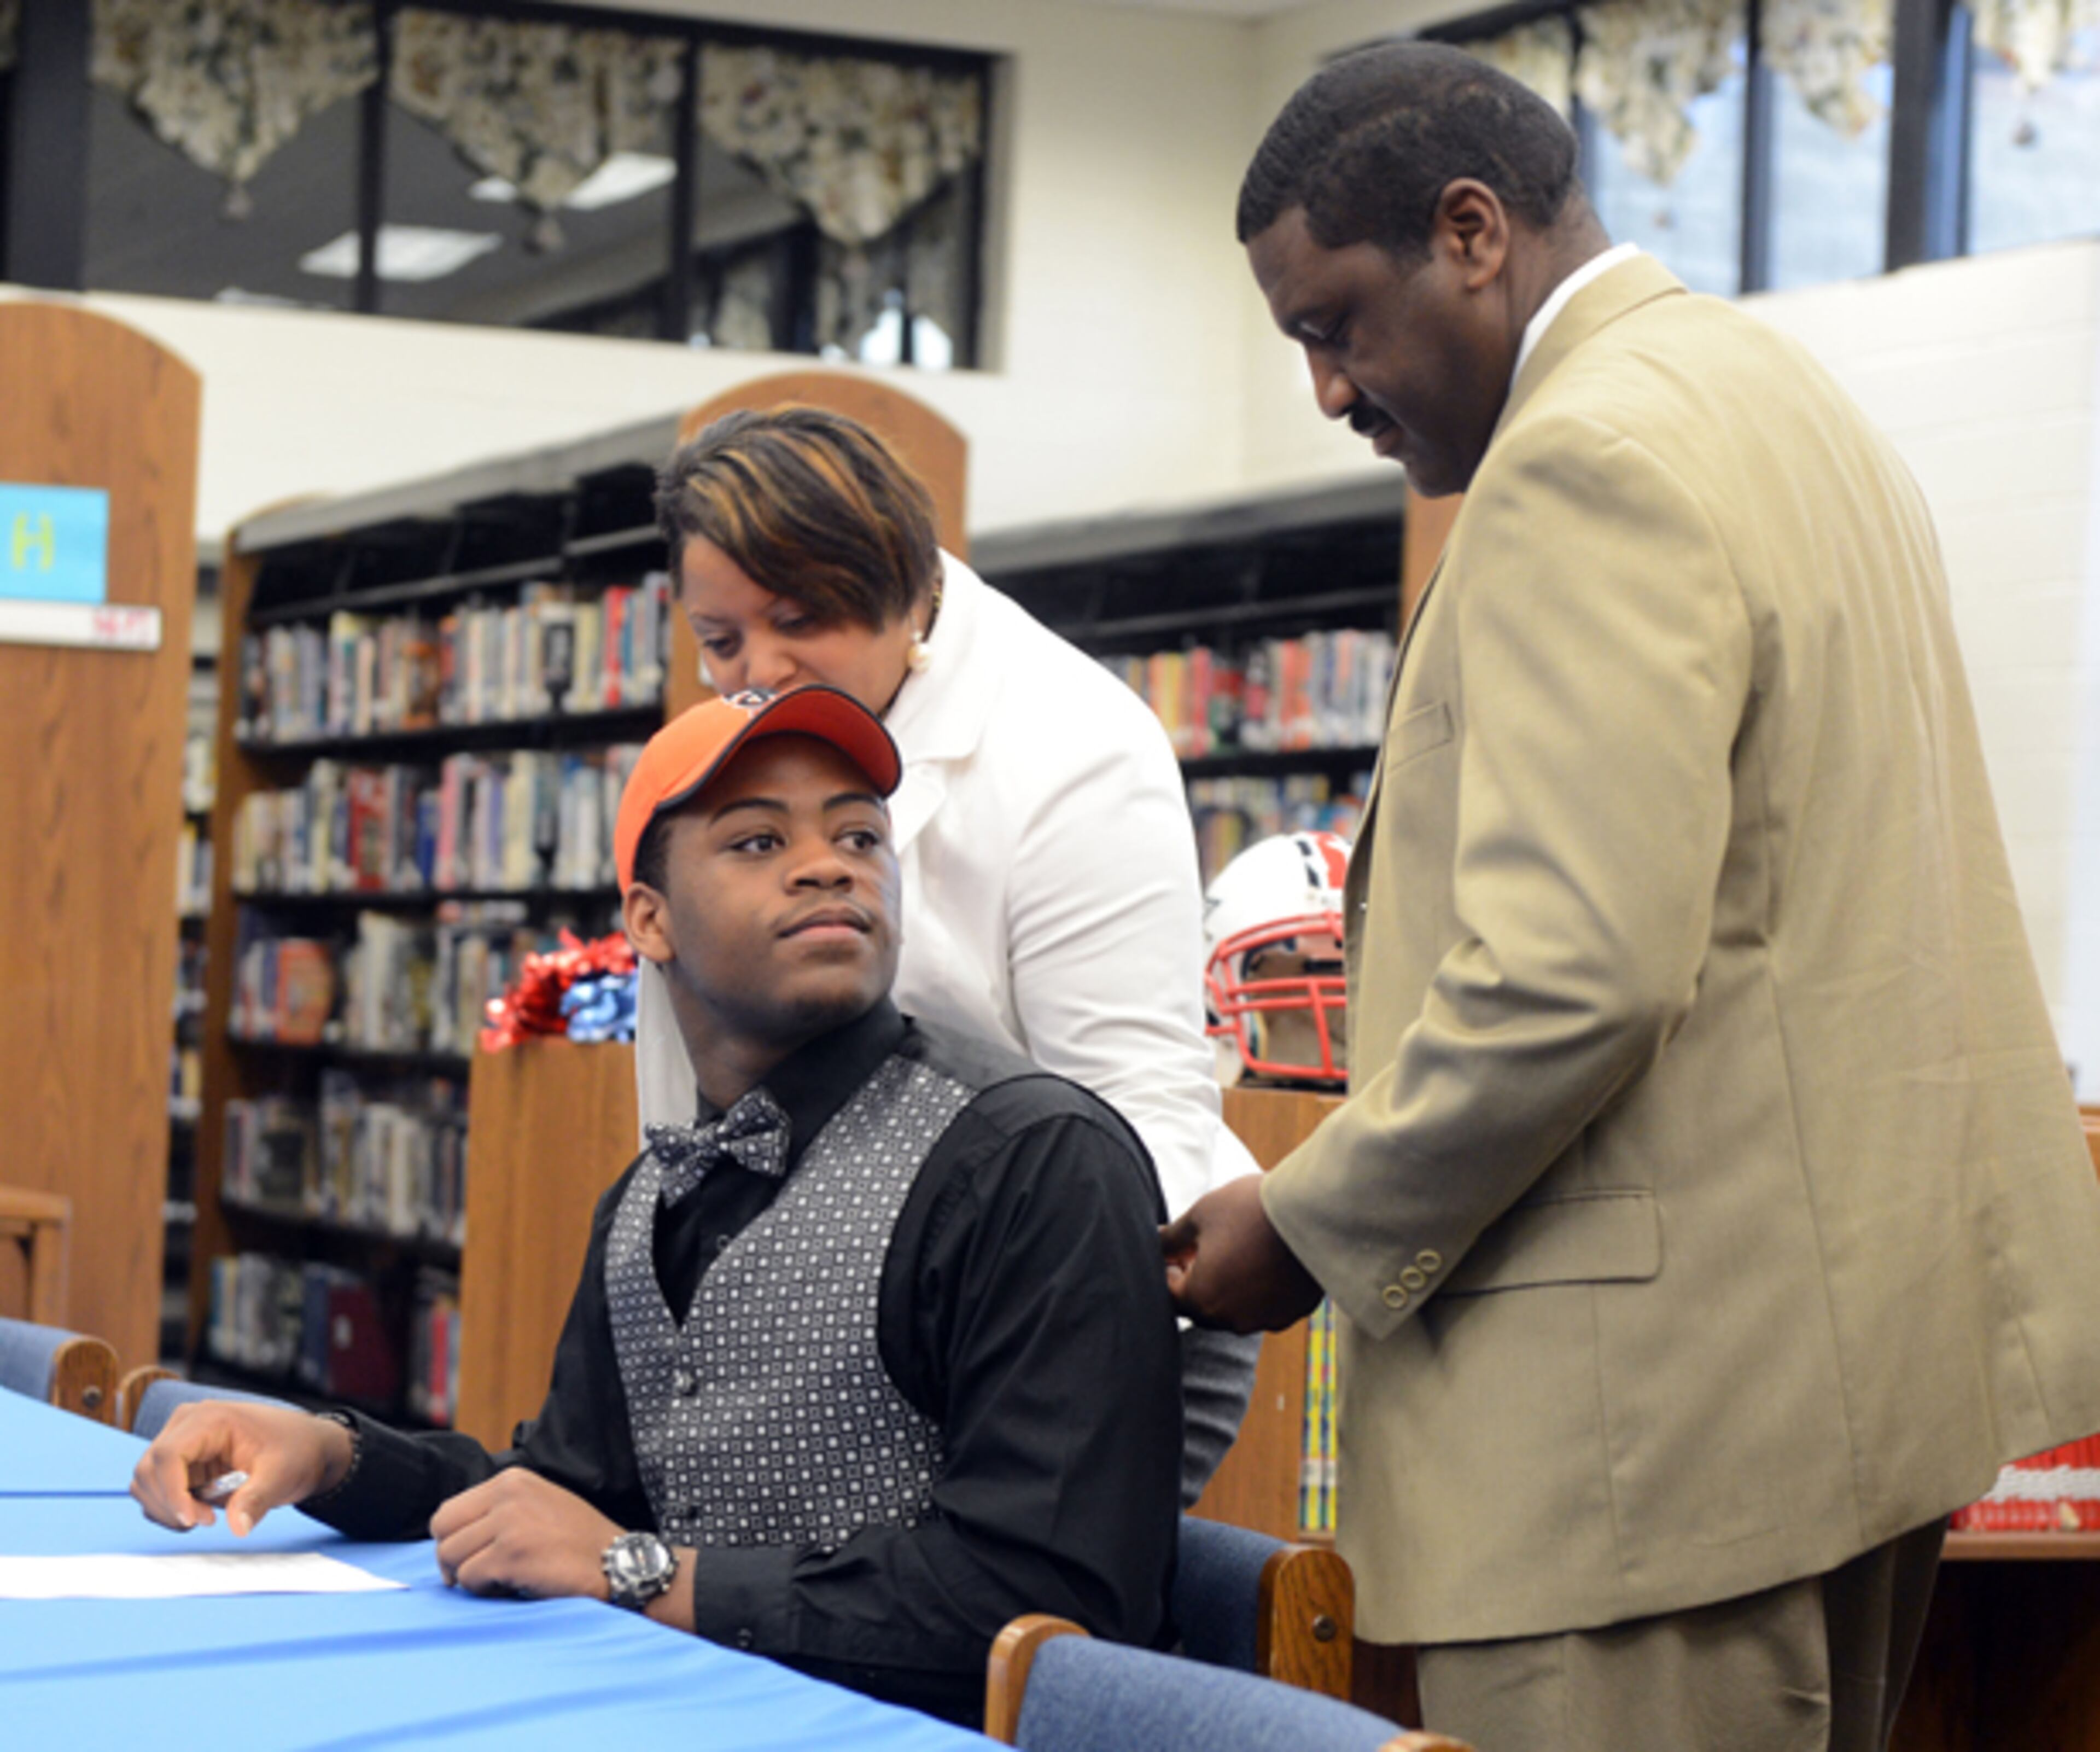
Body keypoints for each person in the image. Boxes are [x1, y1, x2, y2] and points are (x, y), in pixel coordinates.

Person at [1162, 40, 2100, 1752]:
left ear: (1470, 233)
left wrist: (1303, 1224)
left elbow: (1567, 976)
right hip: (1835, 1385)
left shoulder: (1575, 462)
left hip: (1641, 1456)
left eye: (1334, 323)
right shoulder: (1780, 399)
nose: (1328, 390)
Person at [135, 687, 1182, 1729]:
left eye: (862, 834)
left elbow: (1053, 1607)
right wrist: (334, 1456)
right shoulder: (653, 1195)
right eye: (758, 840)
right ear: (650, 919)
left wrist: (634, 1572)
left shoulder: (1034, 1162)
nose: (830, 864)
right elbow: (556, 1495)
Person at [641, 405, 1259, 1504]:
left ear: (902, 583)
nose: (760, 672)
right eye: (721, 640)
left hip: (1077, 1296)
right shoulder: (745, 737)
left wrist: (1021, 1352)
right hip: (864, 1279)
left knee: (939, 1635)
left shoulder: (1074, 747)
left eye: (801, 619)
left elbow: (1138, 1107)